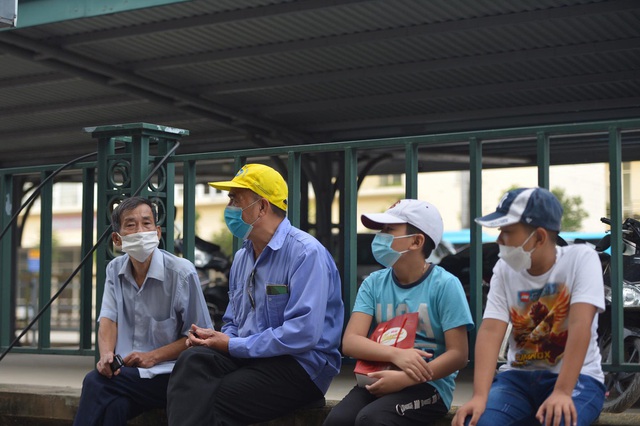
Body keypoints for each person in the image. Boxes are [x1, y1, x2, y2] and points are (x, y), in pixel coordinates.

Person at [166, 163, 344, 425]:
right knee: (192, 360)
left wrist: (232, 345)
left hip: (300, 365)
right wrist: (219, 339)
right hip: (253, 357)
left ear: (262, 206)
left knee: (214, 397)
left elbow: (303, 333)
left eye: (236, 199)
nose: (230, 208)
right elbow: (233, 320)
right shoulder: (242, 257)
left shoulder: (306, 253)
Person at [452, 187, 606, 426]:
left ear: (540, 237)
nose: (499, 239)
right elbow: (491, 330)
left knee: (560, 420)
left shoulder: (581, 259)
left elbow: (580, 325)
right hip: (517, 380)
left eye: (508, 231)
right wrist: (480, 396)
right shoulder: (504, 269)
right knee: (479, 421)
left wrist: (563, 392)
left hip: (577, 380)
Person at [324, 199, 474, 426]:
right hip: (378, 376)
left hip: (429, 385)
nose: (380, 237)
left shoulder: (445, 285)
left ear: (416, 241)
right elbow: (351, 342)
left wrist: (405, 378)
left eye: (389, 230)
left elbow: (459, 354)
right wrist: (396, 355)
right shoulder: (373, 283)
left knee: (372, 419)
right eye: (381, 230)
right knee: (338, 420)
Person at [73, 196, 212, 426]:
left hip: (171, 377)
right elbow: (108, 319)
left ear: (157, 233)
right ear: (117, 239)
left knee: (95, 382)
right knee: (114, 406)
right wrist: (106, 355)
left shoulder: (181, 273)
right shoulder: (114, 269)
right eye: (130, 224)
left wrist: (152, 357)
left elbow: (200, 336)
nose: (140, 230)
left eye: (146, 223)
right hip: (127, 375)